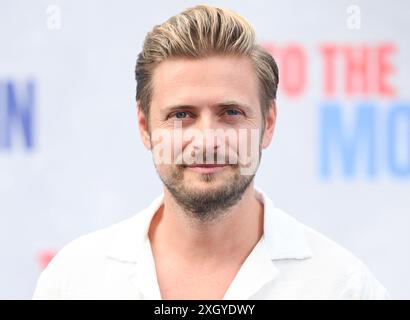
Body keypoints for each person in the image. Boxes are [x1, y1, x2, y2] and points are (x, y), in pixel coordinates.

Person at [33, 4, 388, 300]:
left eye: (231, 113)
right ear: (145, 127)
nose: (207, 140)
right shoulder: (73, 281)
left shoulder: (342, 286)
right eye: (181, 115)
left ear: (269, 123)